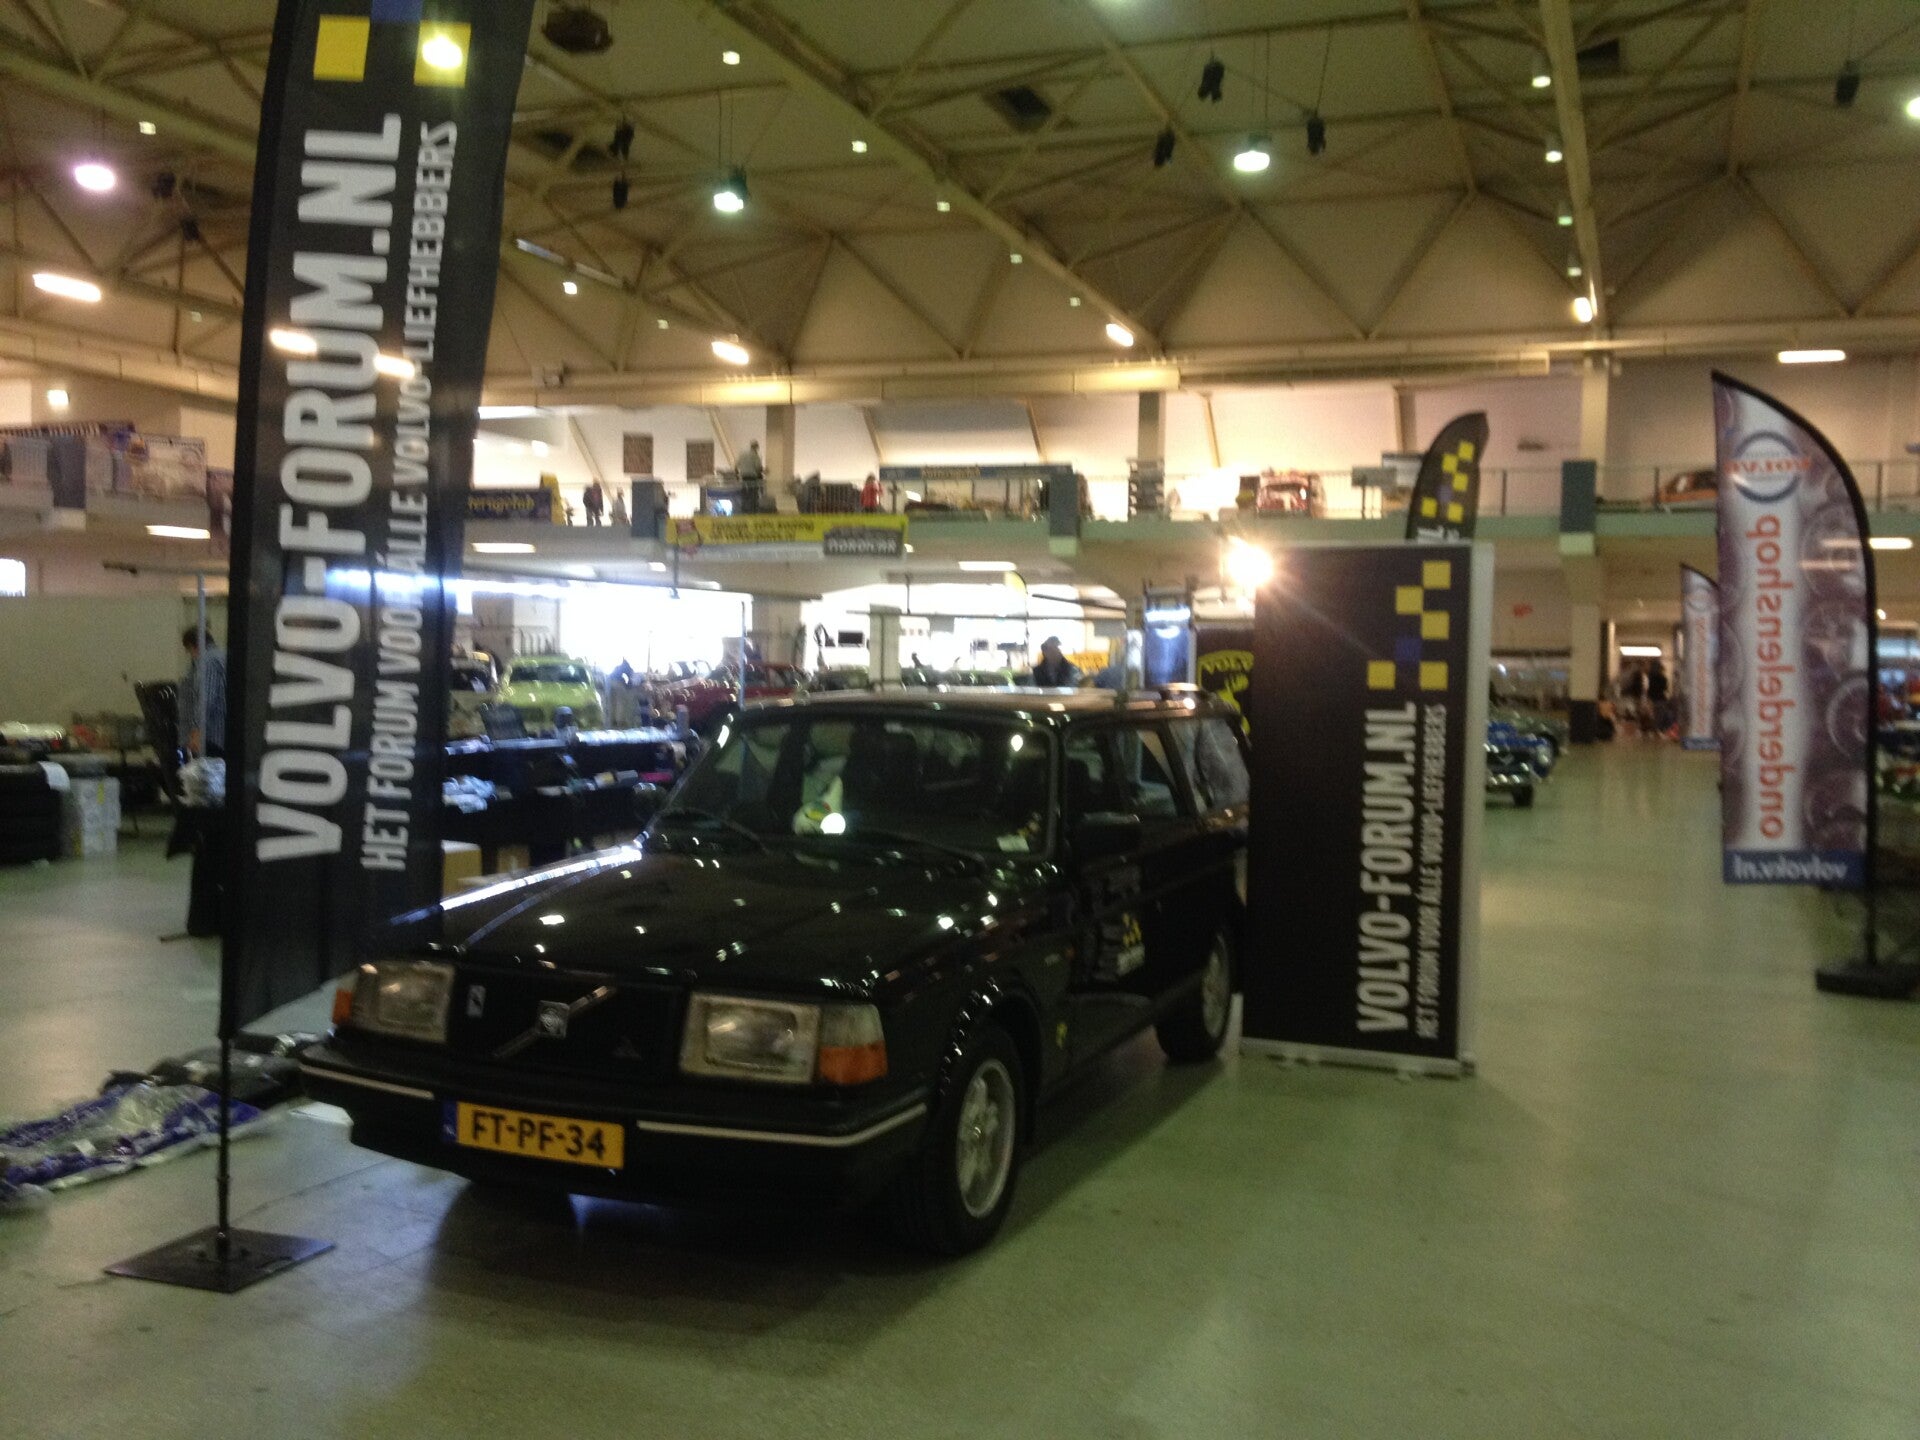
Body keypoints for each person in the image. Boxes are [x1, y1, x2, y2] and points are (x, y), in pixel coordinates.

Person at [178, 625, 227, 759]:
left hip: (214, 736)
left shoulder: (207, 662)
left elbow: (205, 699)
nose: (191, 657)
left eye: (189, 651)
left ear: (193, 646)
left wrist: (196, 730)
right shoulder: (222, 656)